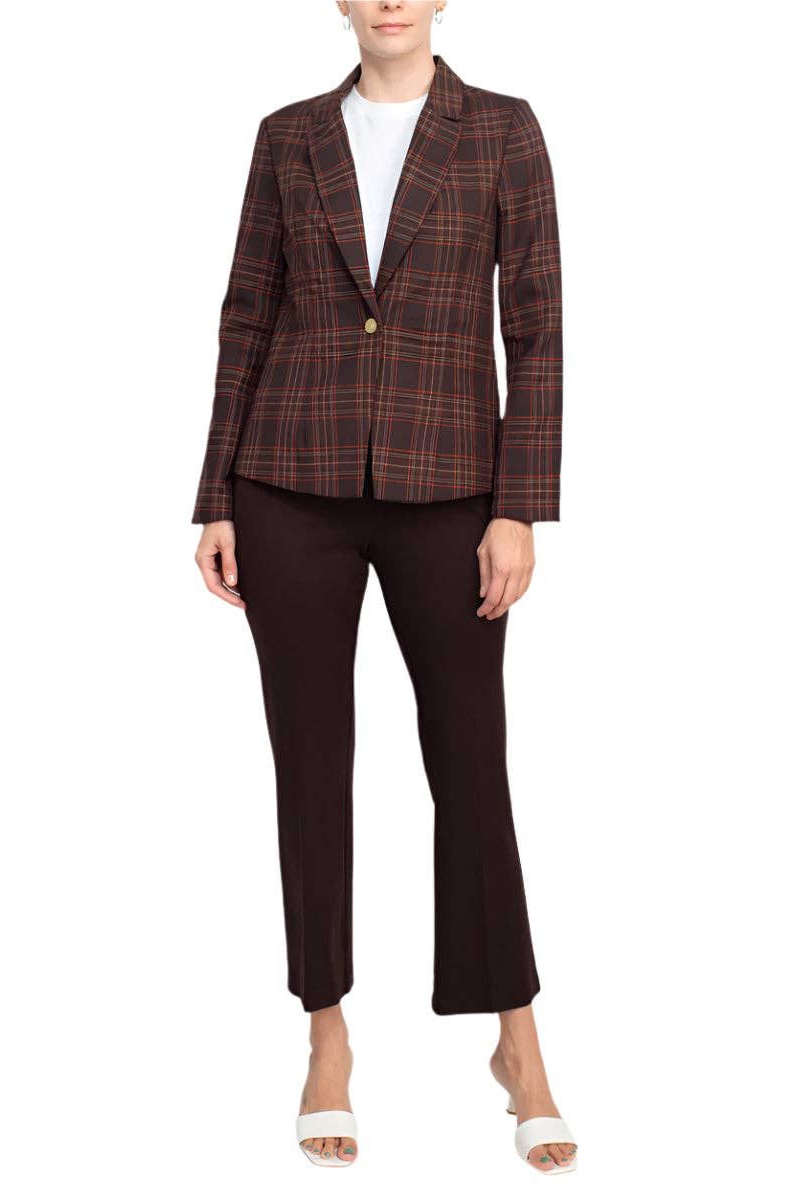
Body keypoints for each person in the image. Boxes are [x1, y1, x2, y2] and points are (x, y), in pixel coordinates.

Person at [192, 0, 576, 1175]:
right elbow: (246, 314)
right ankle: (325, 1035)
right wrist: (215, 495)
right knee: (308, 761)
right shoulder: (287, 135)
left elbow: (537, 328)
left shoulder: (500, 128)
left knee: (469, 756)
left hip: (450, 482)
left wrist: (518, 504)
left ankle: (517, 1041)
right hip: (286, 482)